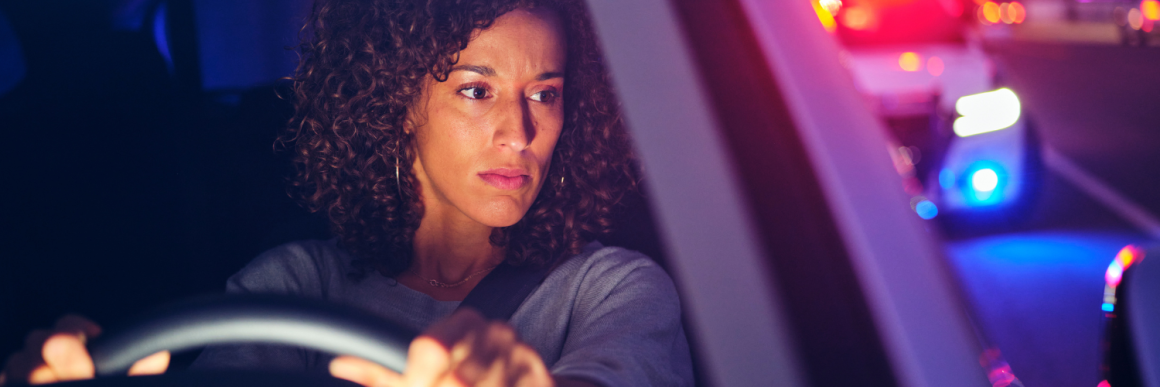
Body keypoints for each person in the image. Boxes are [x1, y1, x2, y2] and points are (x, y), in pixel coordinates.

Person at [0, 0, 693, 386]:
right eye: (477, 91)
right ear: (398, 103)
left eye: (545, 93)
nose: (521, 130)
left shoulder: (615, 289)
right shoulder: (293, 283)